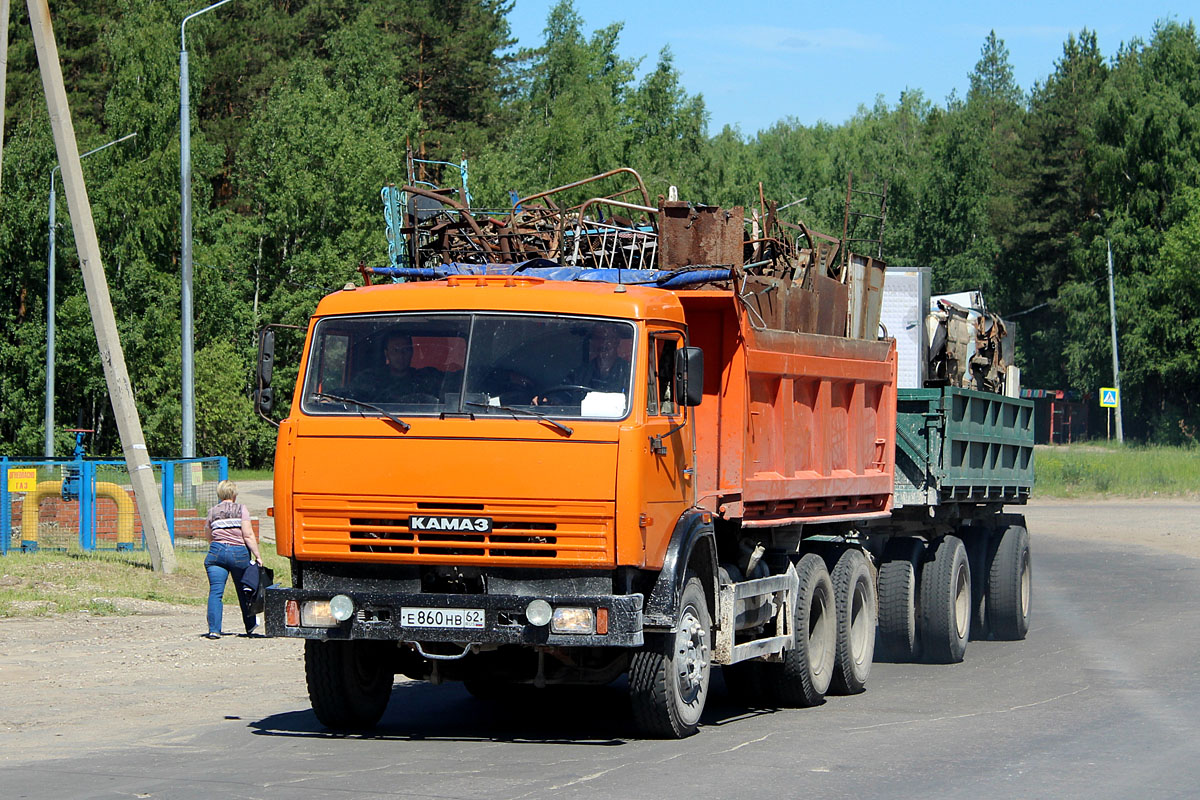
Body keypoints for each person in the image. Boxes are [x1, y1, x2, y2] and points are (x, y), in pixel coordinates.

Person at [203, 480, 261, 639]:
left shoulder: (212, 511)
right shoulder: (241, 509)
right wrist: (258, 555)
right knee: (244, 590)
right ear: (234, 494)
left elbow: (209, 535)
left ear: (220, 494)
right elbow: (248, 535)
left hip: (216, 553)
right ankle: (250, 627)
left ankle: (214, 630)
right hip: (239, 553)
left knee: (216, 592)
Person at [348, 330, 441, 402]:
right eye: (395, 350)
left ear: (412, 352)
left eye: (405, 350)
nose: (401, 355)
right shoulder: (368, 379)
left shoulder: (425, 380)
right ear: (387, 354)